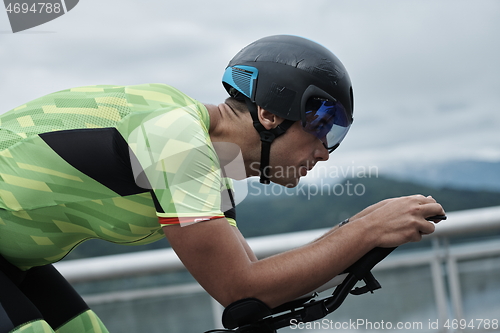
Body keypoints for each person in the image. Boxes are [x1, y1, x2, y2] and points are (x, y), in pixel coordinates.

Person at [0, 35, 445, 333]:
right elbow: (240, 287)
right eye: (323, 126)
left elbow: (255, 298)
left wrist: (361, 225)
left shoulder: (213, 165)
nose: (327, 151)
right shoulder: (174, 136)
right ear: (269, 114)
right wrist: (363, 231)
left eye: (337, 135)